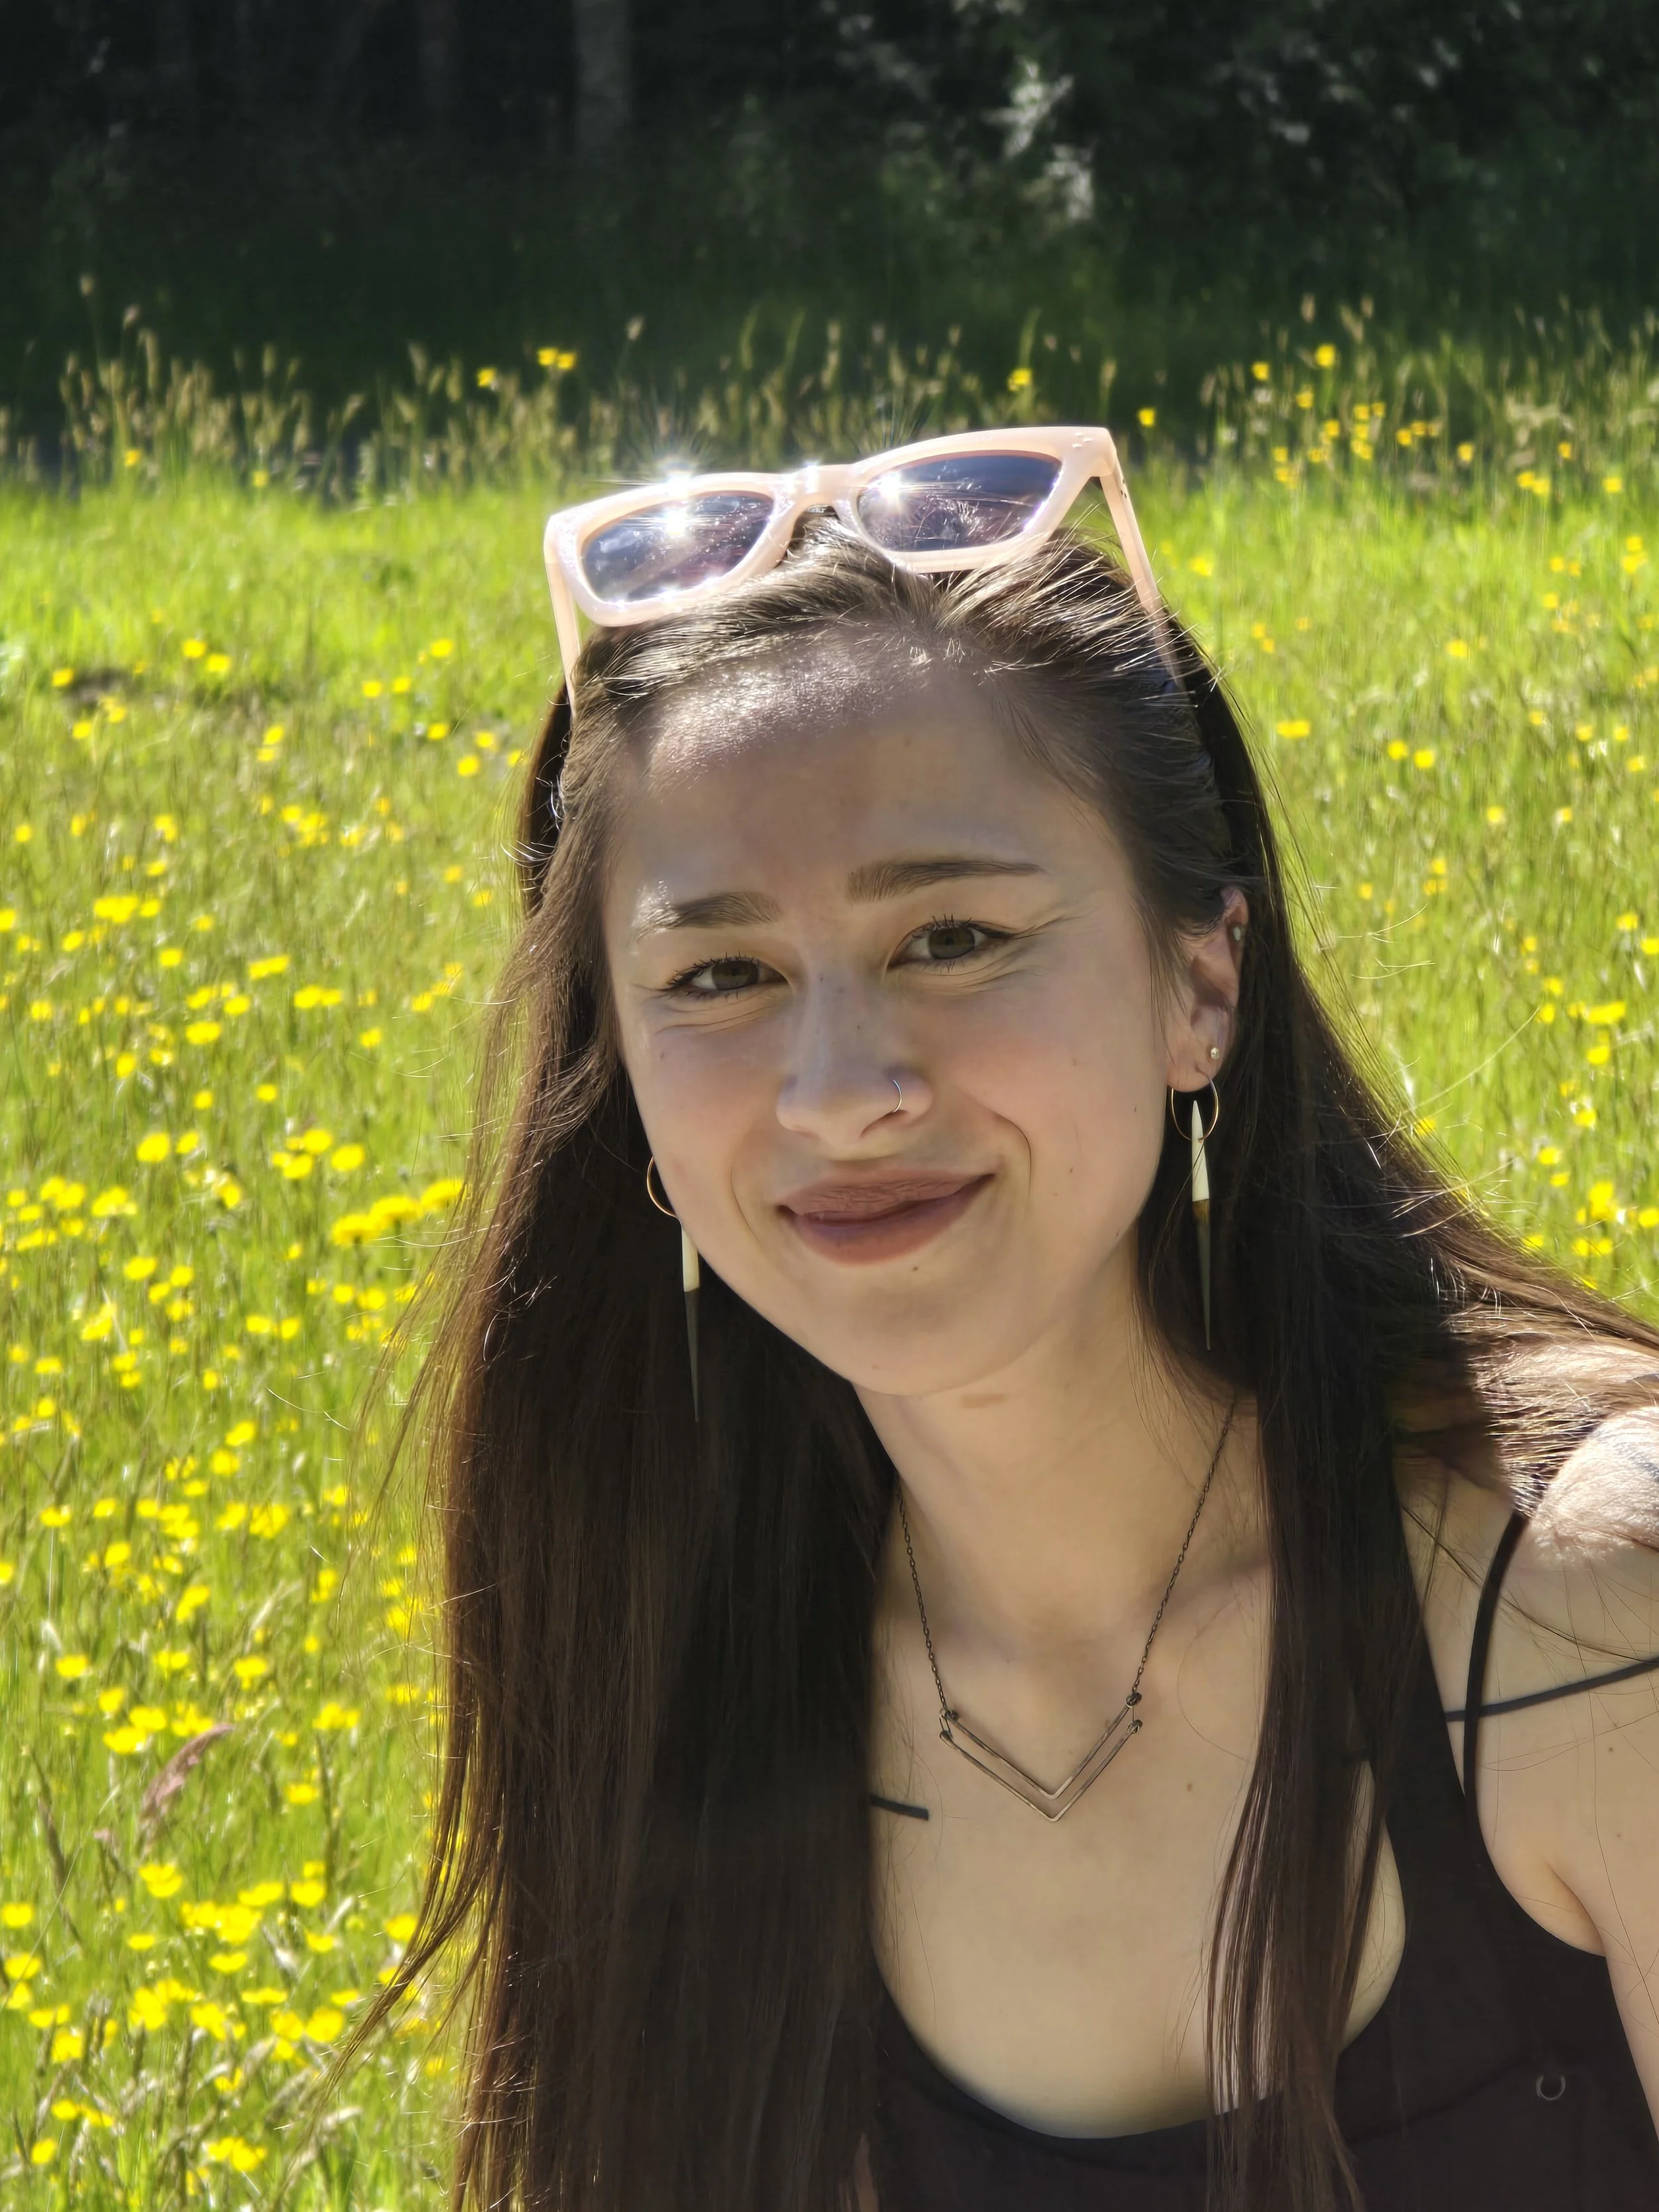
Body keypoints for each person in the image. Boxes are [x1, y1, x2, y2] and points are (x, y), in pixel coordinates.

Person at [384, 432, 1659, 2211]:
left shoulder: (1591, 1608)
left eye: (953, 936)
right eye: (721, 975)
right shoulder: (681, 1669)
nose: (837, 1090)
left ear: (1196, 984)